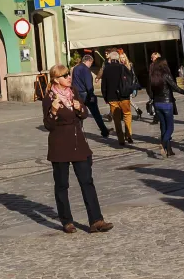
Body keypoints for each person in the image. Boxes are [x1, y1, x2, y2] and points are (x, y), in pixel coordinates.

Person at [43, 64, 113, 233]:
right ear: (56, 79)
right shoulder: (49, 98)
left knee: (87, 181)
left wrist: (79, 108)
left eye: (68, 74)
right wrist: (53, 110)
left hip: (78, 144)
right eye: (65, 75)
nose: (69, 77)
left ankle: (96, 220)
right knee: (62, 185)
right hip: (59, 146)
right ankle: (66, 220)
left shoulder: (73, 91)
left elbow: (84, 113)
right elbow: (48, 125)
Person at [145, 56, 184, 157]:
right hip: (166, 103)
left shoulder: (152, 76)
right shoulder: (165, 75)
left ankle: (168, 149)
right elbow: (175, 87)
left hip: (157, 104)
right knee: (170, 127)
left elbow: (150, 91)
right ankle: (163, 144)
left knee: (163, 127)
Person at [99, 49, 137, 145]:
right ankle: (128, 135)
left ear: (110, 59)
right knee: (127, 115)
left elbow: (104, 85)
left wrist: (105, 97)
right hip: (124, 96)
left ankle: (120, 139)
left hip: (112, 97)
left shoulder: (106, 69)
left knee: (116, 118)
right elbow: (129, 80)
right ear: (118, 58)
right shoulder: (123, 67)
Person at [71, 53, 110, 139]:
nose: (91, 65)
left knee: (79, 113)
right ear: (88, 61)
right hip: (86, 94)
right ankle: (104, 131)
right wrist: (91, 95)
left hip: (77, 94)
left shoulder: (76, 68)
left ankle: (78, 131)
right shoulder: (86, 69)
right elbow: (88, 84)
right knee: (96, 114)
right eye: (91, 63)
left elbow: (73, 82)